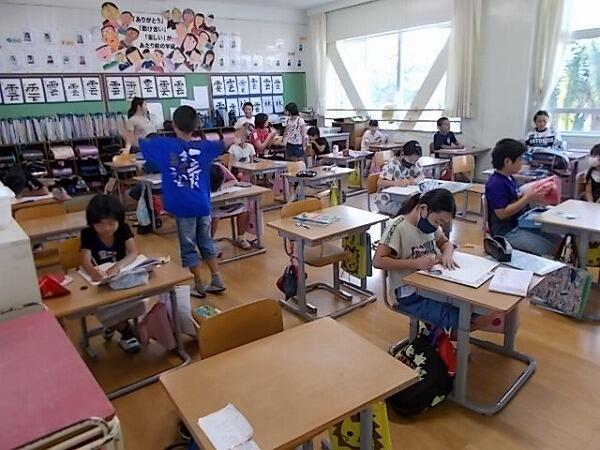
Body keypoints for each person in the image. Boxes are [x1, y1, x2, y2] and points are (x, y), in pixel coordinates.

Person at [122, 105, 226, 298]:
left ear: (174, 125)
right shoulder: (204, 147)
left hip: (183, 206)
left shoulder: (164, 145)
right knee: (205, 241)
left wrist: (123, 130)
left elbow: (135, 142)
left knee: (188, 246)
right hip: (202, 204)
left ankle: (198, 285)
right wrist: (240, 134)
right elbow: (225, 143)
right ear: (196, 125)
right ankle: (216, 278)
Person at [373, 189, 493, 330]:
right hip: (408, 294)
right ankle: (441, 336)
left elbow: (446, 243)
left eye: (442, 223)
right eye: (437, 221)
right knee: (461, 319)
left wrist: (447, 254)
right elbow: (378, 261)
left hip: (431, 285)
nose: (438, 226)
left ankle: (440, 333)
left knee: (471, 309)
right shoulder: (397, 227)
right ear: (423, 209)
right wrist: (415, 263)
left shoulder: (431, 224)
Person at [79, 194, 142, 353]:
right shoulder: (88, 234)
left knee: (137, 300)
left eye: (111, 223)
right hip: (100, 284)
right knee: (104, 308)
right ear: (92, 223)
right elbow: (85, 260)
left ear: (118, 220)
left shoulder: (123, 229)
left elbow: (133, 252)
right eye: (100, 224)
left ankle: (113, 325)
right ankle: (126, 332)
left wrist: (119, 265)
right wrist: (93, 272)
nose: (106, 228)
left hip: (120, 278)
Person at [485, 138, 561, 256]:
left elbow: (514, 199)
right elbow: (502, 213)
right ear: (507, 161)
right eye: (520, 159)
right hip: (506, 232)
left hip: (519, 223)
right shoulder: (496, 183)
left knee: (557, 238)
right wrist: (528, 198)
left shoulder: (509, 178)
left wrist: (533, 195)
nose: (522, 163)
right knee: (548, 247)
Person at [374, 140, 424, 216]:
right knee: (411, 212)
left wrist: (415, 180)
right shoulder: (392, 164)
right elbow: (379, 182)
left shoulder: (413, 163)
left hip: (401, 198)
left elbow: (422, 175)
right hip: (386, 201)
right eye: (410, 160)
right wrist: (396, 183)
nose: (412, 163)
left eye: (415, 160)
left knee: (417, 207)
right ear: (402, 154)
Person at [210, 162, 253, 250]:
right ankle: (209, 243)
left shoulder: (219, 167)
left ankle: (241, 238)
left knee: (245, 206)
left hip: (225, 197)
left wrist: (223, 186)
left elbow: (233, 180)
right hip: (212, 205)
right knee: (213, 214)